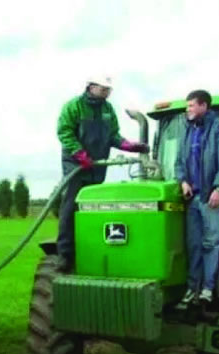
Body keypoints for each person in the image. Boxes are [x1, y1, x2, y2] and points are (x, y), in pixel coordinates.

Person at [55, 75, 149, 272]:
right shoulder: (74, 107)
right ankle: (65, 253)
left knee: (95, 207)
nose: (107, 92)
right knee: (71, 206)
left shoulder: (108, 110)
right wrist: (79, 153)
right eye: (104, 88)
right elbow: (64, 132)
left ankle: (93, 249)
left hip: (98, 164)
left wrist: (129, 146)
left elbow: (113, 135)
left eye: (109, 89)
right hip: (76, 165)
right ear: (91, 86)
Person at [174, 90, 219, 308]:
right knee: (194, 244)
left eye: (191, 105)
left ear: (204, 106)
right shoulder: (187, 132)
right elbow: (179, 162)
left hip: (211, 197)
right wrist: (182, 181)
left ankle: (208, 288)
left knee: (211, 243)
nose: (188, 109)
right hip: (193, 199)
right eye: (187, 106)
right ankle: (193, 288)